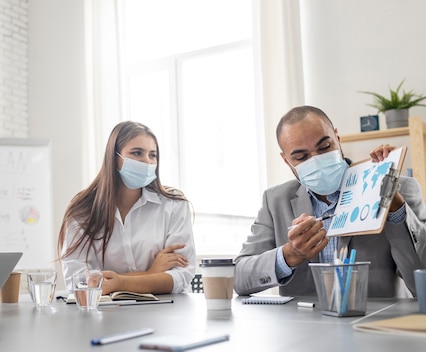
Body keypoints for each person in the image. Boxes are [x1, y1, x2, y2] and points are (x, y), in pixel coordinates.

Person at [234, 105, 426, 298]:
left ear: (337, 138)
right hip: (304, 326)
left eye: (325, 147)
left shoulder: (398, 187)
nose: (316, 160)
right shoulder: (275, 201)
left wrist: (395, 208)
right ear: (286, 160)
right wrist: (289, 255)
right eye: (301, 157)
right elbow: (239, 278)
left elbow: (422, 279)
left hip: (375, 324)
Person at [58, 121, 195, 295]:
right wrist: (151, 274)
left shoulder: (173, 204)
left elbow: (182, 275)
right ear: (114, 158)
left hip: (166, 311)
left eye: (152, 155)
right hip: (106, 317)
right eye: (137, 153)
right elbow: (78, 282)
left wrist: (118, 282)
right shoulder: (83, 210)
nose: (146, 161)